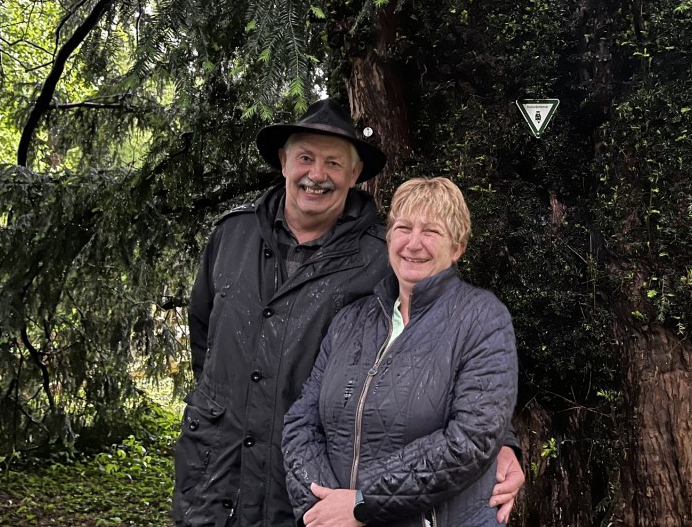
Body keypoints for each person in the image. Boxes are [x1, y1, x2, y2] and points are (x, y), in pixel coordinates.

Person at [172, 101, 524, 527]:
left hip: (301, 490)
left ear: (354, 175)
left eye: (333, 163)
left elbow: (445, 337)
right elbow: (203, 339)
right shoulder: (232, 236)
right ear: (284, 162)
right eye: (305, 157)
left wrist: (501, 445)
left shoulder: (383, 255)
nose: (316, 175)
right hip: (215, 473)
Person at [283, 177, 518, 527]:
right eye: (403, 227)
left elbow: (471, 439)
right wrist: (323, 508)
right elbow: (301, 422)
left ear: (457, 248)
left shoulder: (483, 318)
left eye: (432, 232)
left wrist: (363, 505)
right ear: (389, 237)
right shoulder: (350, 320)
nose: (413, 243)